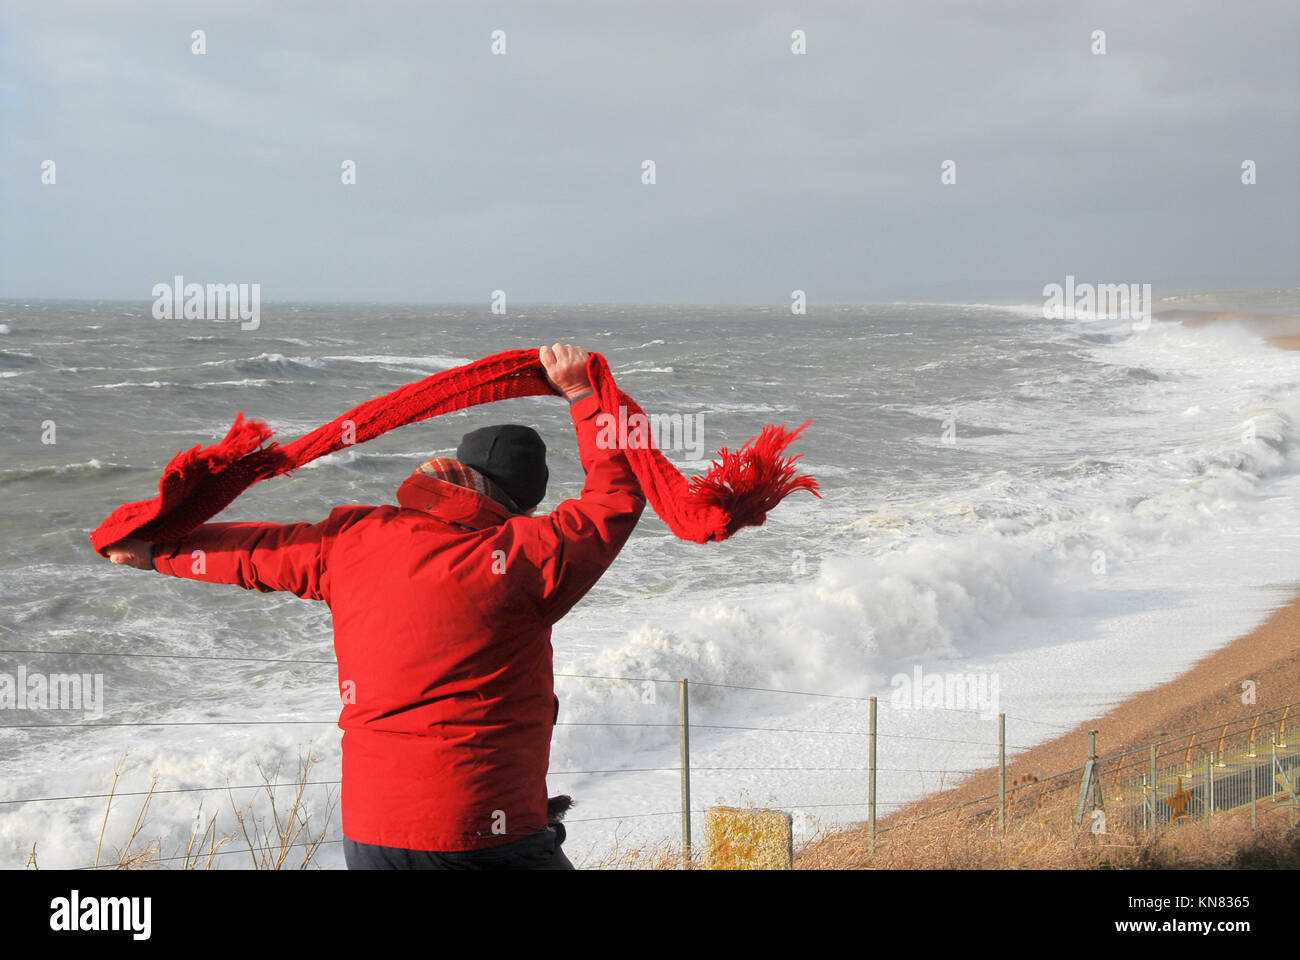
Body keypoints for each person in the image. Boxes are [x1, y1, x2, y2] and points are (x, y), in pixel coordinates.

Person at [103, 343, 646, 869]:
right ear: (527, 503)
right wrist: (583, 395)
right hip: (481, 828)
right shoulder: (526, 556)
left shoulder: (352, 540)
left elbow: (255, 551)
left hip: (371, 835)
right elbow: (614, 497)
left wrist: (156, 552)